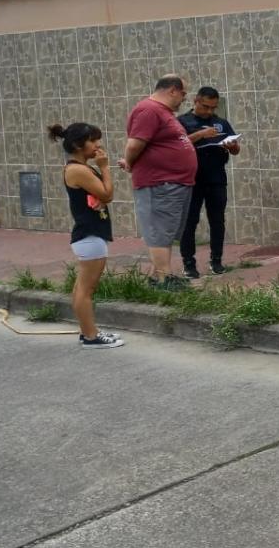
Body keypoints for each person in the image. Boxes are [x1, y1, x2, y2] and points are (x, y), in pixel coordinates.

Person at [47, 122, 123, 349]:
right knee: (86, 289)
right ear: (79, 145)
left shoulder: (82, 168)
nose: (98, 145)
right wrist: (106, 167)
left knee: (83, 287)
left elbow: (99, 196)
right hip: (88, 235)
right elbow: (107, 194)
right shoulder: (77, 169)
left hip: (91, 234)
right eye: (93, 140)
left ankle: (88, 332)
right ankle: (91, 337)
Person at [121, 75, 198, 291]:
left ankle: (159, 277)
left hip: (175, 182)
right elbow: (134, 144)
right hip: (160, 183)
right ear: (172, 90)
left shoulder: (164, 113)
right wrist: (128, 162)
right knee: (159, 230)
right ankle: (164, 279)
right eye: (183, 93)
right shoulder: (149, 110)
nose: (184, 98)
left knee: (166, 231)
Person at [178, 86, 240, 278]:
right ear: (195, 101)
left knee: (217, 220)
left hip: (216, 178)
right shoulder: (182, 122)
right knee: (190, 221)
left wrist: (233, 146)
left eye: (213, 108)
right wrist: (200, 135)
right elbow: (176, 145)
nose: (209, 112)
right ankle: (189, 264)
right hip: (192, 179)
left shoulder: (220, 123)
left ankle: (217, 261)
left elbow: (236, 150)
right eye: (205, 107)